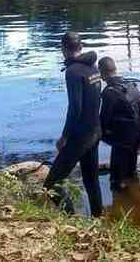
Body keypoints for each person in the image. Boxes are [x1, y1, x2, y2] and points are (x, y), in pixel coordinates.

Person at [43, 31, 103, 217]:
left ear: (63, 49)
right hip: (95, 131)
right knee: (91, 180)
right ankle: (98, 219)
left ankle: (71, 218)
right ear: (80, 47)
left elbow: (75, 109)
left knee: (51, 184)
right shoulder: (93, 68)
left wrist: (65, 137)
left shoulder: (73, 72)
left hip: (80, 137)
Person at [98, 56, 140, 191]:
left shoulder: (109, 92)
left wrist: (97, 133)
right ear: (115, 69)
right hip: (137, 134)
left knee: (117, 181)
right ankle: (134, 182)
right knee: (131, 171)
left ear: (102, 73)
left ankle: (120, 191)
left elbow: (104, 118)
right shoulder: (131, 85)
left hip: (121, 138)